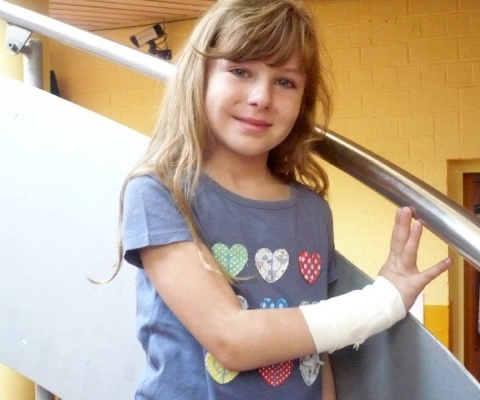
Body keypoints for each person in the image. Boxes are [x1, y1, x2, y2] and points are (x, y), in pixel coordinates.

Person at [119, 0, 451, 398]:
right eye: (240, 71)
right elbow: (231, 340)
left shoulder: (312, 210)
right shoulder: (159, 192)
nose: (262, 97)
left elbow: (315, 352)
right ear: (199, 77)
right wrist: (384, 301)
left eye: (285, 82)